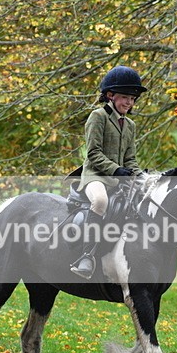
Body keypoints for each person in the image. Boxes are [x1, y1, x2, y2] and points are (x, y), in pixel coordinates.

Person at [70, 66, 147, 279]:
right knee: (101, 202)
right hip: (96, 176)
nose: (129, 103)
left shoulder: (129, 124)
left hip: (119, 177)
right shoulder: (98, 117)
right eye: (124, 98)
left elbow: (130, 158)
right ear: (110, 96)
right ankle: (86, 255)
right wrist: (116, 170)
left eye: (132, 99)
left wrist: (140, 177)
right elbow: (93, 153)